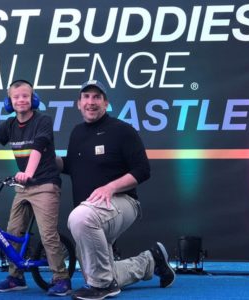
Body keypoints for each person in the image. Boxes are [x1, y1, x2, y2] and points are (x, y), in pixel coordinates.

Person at [58, 80, 175, 300]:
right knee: (96, 272)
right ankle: (151, 260)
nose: (91, 102)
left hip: (122, 203)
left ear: (106, 103)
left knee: (81, 219)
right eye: (86, 97)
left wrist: (110, 187)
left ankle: (103, 287)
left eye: (96, 97)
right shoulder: (77, 133)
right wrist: (47, 159)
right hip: (91, 210)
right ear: (78, 103)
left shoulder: (121, 130)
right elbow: (72, 165)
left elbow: (143, 170)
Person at [0, 80, 72, 296]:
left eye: (25, 96)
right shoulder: (9, 125)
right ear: (9, 101)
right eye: (16, 97)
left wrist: (28, 173)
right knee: (12, 233)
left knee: (47, 235)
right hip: (23, 186)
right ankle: (15, 277)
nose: (21, 100)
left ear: (33, 99)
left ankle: (62, 278)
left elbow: (38, 147)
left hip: (45, 184)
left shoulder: (43, 121)